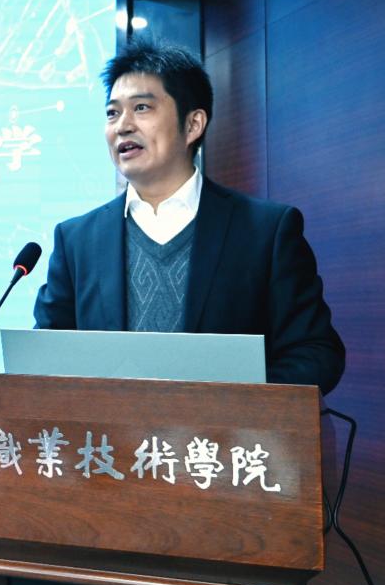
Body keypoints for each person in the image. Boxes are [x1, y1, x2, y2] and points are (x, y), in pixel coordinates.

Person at [33, 36, 345, 394]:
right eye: (112, 113)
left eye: (142, 108)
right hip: (107, 431)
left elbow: (316, 354)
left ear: (194, 124)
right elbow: (46, 358)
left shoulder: (265, 231)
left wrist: (229, 402)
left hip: (224, 430)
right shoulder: (76, 240)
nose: (122, 126)